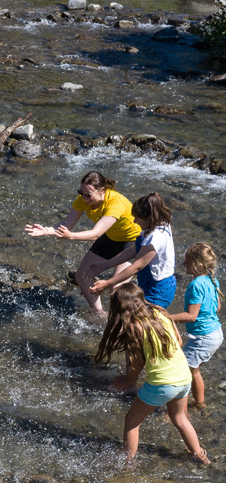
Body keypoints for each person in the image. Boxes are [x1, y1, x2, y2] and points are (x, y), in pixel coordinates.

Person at [94, 283, 209, 465]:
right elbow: (179, 341)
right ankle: (200, 455)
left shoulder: (134, 328)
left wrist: (129, 379)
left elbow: (137, 363)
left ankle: (128, 464)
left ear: (120, 307)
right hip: (184, 376)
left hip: (162, 384)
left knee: (132, 420)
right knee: (179, 418)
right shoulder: (160, 312)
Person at [25, 171, 141, 317]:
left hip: (132, 241)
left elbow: (96, 234)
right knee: (82, 276)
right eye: (81, 192)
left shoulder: (115, 203)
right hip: (111, 238)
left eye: (88, 194)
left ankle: (123, 321)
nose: (84, 197)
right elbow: (66, 225)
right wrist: (47, 230)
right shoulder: (82, 200)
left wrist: (71, 236)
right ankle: (100, 313)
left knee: (117, 289)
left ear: (102, 191)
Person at [89, 193, 176, 308]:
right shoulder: (157, 225)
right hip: (147, 284)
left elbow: (137, 266)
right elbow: (133, 250)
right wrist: (105, 265)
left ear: (149, 218)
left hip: (158, 290)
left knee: (142, 322)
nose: (134, 221)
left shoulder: (156, 237)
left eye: (137, 218)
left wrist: (107, 283)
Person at [169, 243, 223, 409]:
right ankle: (199, 403)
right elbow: (218, 307)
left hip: (203, 338)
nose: (183, 264)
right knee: (193, 370)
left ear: (198, 265)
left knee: (183, 373)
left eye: (187, 261)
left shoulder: (195, 285)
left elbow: (191, 317)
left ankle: (181, 411)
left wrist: (167, 318)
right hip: (216, 333)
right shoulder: (212, 280)